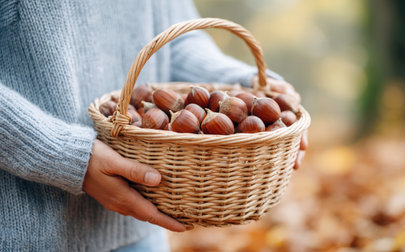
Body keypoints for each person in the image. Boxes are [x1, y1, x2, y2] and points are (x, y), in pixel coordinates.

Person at [0, 0, 307, 251]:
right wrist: (62, 153)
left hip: (143, 219)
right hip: (31, 230)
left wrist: (251, 84)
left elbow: (178, 37)